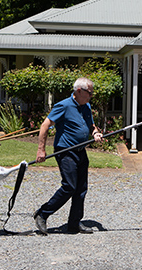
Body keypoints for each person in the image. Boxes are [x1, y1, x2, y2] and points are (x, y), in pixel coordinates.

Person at [33, 77, 103, 235]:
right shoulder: (63, 105)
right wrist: (41, 150)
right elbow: (45, 125)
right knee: (69, 186)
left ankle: (74, 223)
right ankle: (42, 214)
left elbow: (91, 125)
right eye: (89, 93)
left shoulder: (86, 106)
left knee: (81, 189)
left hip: (80, 150)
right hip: (65, 151)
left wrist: (95, 133)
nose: (91, 96)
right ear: (79, 91)